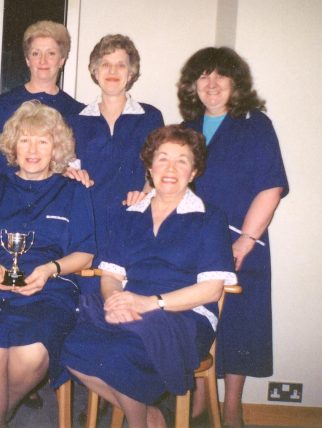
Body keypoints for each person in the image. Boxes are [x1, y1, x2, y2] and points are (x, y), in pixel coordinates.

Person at [62, 125, 237, 428]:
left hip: (185, 315)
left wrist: (149, 303)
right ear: (149, 166)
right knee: (70, 347)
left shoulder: (210, 217)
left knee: (120, 354)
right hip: (130, 306)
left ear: (193, 172)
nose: (170, 168)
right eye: (163, 158)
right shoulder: (129, 215)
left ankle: (139, 421)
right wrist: (115, 300)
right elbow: (111, 275)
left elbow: (210, 290)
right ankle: (151, 416)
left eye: (182, 160)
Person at [0, 101, 95, 428]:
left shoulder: (73, 192)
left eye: (43, 141)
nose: (33, 149)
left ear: (56, 148)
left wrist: (51, 269)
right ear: (13, 144)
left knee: (31, 354)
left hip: (50, 291)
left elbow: (85, 253)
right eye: (25, 140)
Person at [178, 47, 288, 427]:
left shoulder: (254, 124)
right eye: (203, 76)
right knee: (198, 318)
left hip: (243, 241)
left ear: (235, 83)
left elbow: (270, 188)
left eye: (220, 76)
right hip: (192, 243)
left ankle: (231, 407)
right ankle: (199, 405)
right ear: (193, 85)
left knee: (240, 323)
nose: (211, 84)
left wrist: (245, 240)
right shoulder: (186, 129)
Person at [67, 34, 163, 296]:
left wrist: (146, 190)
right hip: (89, 223)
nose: (112, 71)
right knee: (86, 301)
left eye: (120, 65)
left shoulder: (150, 117)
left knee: (127, 302)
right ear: (95, 71)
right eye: (105, 64)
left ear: (131, 73)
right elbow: (65, 167)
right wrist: (71, 172)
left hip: (134, 220)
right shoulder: (76, 119)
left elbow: (159, 167)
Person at [0, 20, 84, 176]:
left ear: (62, 60)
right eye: (36, 53)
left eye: (51, 53)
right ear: (27, 60)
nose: (43, 61)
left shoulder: (78, 112)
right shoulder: (0, 106)